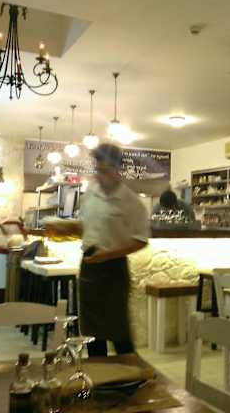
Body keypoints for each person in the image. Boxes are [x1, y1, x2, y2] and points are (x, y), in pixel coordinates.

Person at [45, 143, 148, 356]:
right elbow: (87, 227)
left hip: (114, 268)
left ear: (118, 169)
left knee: (119, 331)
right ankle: (96, 372)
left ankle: (129, 373)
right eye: (97, 169)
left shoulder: (132, 202)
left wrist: (107, 255)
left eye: (105, 170)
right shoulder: (91, 193)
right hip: (89, 265)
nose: (99, 175)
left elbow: (141, 240)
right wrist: (66, 227)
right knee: (91, 331)